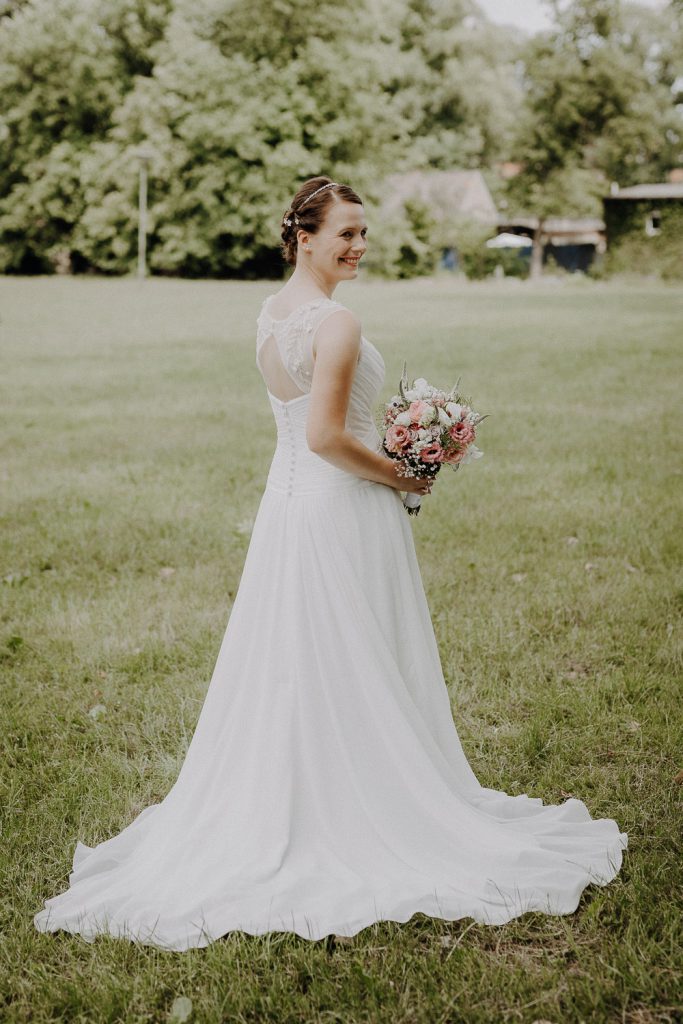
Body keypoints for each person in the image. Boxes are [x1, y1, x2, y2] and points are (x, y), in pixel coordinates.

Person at [34, 176, 627, 951]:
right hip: (341, 506)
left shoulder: (270, 315)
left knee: (301, 662)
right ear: (303, 237)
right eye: (344, 233)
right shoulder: (336, 323)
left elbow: (303, 426)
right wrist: (405, 473)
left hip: (287, 512)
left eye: (362, 233)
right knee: (354, 660)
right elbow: (323, 437)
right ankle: (363, 807)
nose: (357, 247)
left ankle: (309, 792)